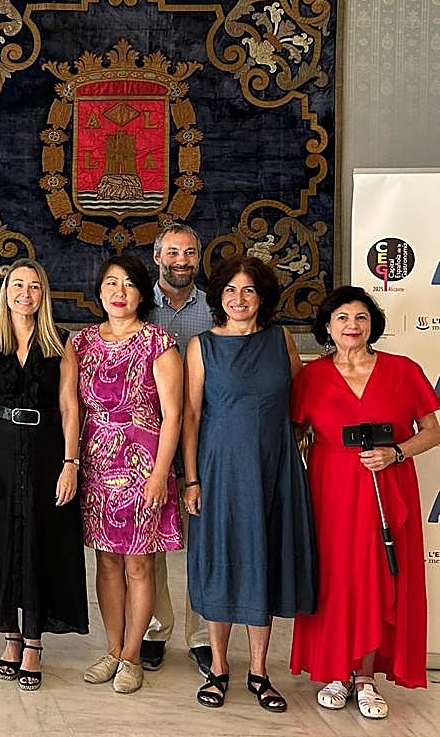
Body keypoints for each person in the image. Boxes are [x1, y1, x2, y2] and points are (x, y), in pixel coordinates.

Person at [290, 286, 440, 720]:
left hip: (387, 488)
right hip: (330, 489)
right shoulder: (311, 377)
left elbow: (432, 430)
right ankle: (337, 671)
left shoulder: (402, 370)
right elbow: (294, 433)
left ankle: (366, 677)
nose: (351, 326)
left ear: (372, 324)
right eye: (342, 318)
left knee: (379, 578)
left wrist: (397, 452)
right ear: (327, 327)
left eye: (360, 317)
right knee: (337, 579)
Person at [181, 256, 316, 713]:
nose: (239, 300)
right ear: (219, 297)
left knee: (265, 560)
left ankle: (259, 671)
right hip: (219, 469)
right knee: (221, 561)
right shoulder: (202, 346)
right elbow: (191, 416)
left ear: (263, 297)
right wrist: (192, 479)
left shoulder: (281, 340)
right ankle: (219, 667)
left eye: (249, 291)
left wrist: (295, 444)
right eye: (231, 291)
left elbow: (305, 400)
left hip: (275, 469)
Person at [0, 259, 87, 692]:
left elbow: (70, 407)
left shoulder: (61, 342)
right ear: (5, 290)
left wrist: (71, 464)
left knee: (42, 541)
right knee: (3, 541)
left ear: (43, 294)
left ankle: (34, 643)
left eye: (33, 286)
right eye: (17, 285)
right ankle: (10, 637)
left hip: (49, 450)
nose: (25, 293)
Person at [61, 253, 182, 694]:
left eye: (129, 284)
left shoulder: (158, 342)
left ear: (141, 293)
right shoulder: (81, 342)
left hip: (144, 465)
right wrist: (71, 462)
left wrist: (159, 475)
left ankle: (133, 655)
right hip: (96, 464)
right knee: (106, 561)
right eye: (111, 283)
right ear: (99, 291)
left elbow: (173, 417)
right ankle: (112, 649)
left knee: (138, 563)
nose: (119, 292)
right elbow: (70, 408)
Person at [143, 223, 213, 675]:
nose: (181, 261)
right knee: (152, 537)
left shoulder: (216, 309)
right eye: (173, 252)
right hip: (145, 437)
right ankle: (155, 627)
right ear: (157, 255)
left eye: (189, 253)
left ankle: (201, 634)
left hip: (206, 435)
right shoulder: (134, 303)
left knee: (200, 537)